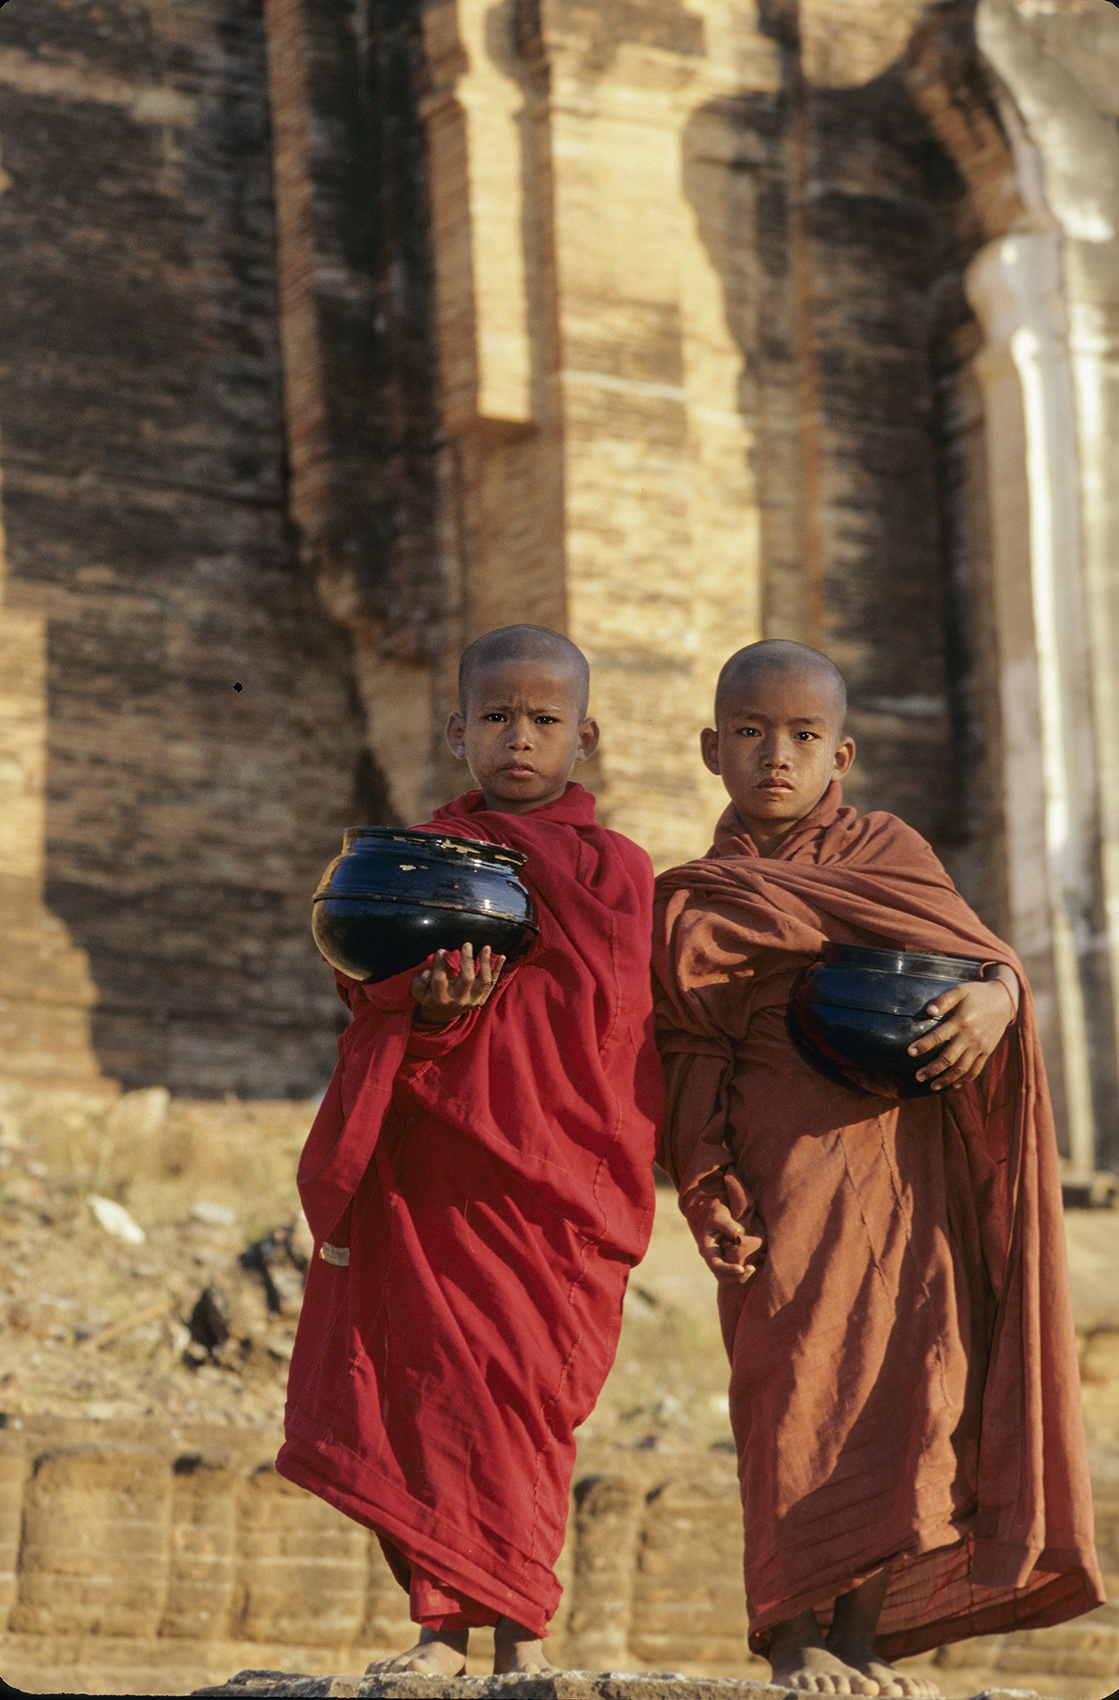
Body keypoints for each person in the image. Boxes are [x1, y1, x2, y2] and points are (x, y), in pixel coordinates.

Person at [652, 639, 1103, 1698]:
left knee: (912, 1384)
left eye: (803, 736)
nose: (777, 755)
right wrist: (706, 1179)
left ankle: (859, 1635)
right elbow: (689, 1051)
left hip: (905, 1172)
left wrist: (1001, 996)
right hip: (782, 1176)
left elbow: (980, 958)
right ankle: (795, 1632)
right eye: (752, 733)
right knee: (792, 1384)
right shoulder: (700, 898)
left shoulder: (888, 849)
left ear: (841, 752)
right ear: (712, 746)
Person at [277, 625, 662, 1677]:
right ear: (458, 729)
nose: (520, 738)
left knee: (530, 1399)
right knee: (437, 1381)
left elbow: (630, 1029)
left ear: (587, 735)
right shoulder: (419, 855)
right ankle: (442, 1626)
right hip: (443, 1167)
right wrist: (431, 1012)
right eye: (497, 716)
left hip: (564, 1186)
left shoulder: (623, 875)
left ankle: (525, 1632)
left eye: (545, 719)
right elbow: (367, 986)